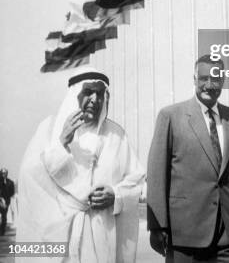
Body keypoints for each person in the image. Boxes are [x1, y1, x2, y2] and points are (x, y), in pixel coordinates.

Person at [16, 67, 145, 263]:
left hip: (101, 234)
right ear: (75, 95)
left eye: (100, 94)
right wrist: (61, 144)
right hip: (58, 239)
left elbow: (136, 180)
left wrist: (116, 195)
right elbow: (30, 177)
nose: (95, 99)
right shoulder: (50, 129)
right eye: (88, 92)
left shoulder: (117, 135)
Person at [147, 55, 229, 263]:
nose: (208, 85)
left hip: (228, 237)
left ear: (222, 81)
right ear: (194, 79)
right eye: (203, 78)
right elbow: (156, 174)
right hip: (185, 236)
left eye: (215, 79)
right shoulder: (171, 116)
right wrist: (157, 225)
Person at [0, 168, 15, 235]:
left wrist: (5, 199)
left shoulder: (10, 182)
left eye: (4, 173)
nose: (3, 174)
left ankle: (2, 231)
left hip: (5, 202)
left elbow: (12, 192)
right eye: (2, 173)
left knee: (4, 216)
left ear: (7, 173)